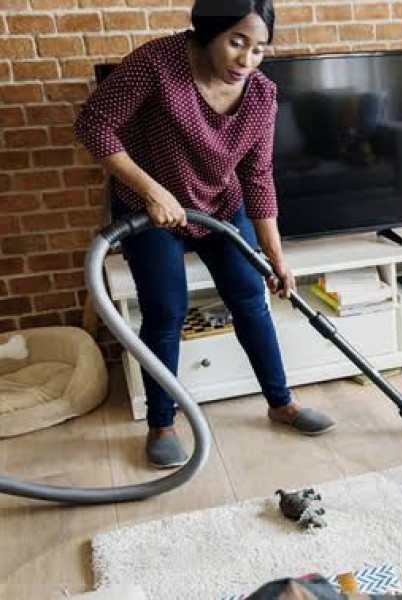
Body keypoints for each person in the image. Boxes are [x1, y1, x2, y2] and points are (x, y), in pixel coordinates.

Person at [75, 0, 335, 469]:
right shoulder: (157, 63)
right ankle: (162, 423)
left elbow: (258, 176)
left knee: (249, 296)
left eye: (259, 49)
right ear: (207, 31)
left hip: (219, 205)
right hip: (149, 209)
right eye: (237, 42)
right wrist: (153, 192)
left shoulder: (261, 95)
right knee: (165, 310)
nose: (247, 60)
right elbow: (93, 124)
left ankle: (282, 403)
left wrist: (275, 255)